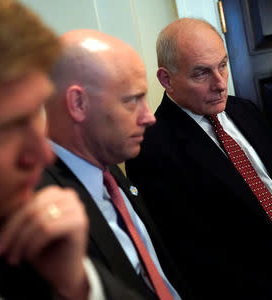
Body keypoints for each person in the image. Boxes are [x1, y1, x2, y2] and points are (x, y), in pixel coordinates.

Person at [126, 18, 272, 300]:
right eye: (201, 73)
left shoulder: (245, 110)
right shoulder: (151, 149)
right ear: (166, 79)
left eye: (222, 65)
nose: (220, 84)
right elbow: (191, 256)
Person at [0, 1, 143, 299]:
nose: (44, 155)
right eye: (6, 128)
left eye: (36, 112)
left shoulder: (17, 232)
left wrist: (77, 285)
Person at [37, 29, 191, 300]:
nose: (148, 117)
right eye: (132, 100)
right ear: (78, 103)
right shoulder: (39, 208)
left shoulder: (110, 172)